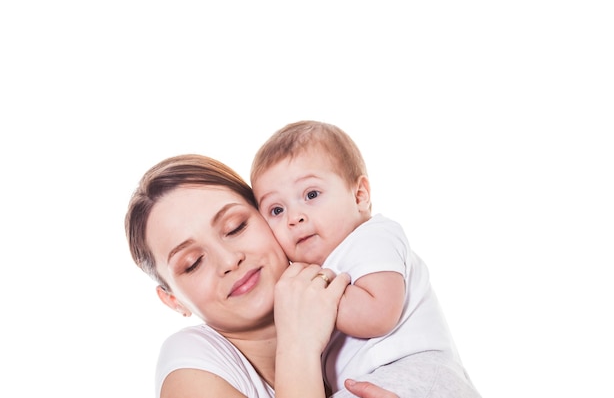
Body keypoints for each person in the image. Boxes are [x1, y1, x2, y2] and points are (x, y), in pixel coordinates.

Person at [125, 154, 399, 398]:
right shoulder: (189, 365)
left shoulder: (362, 288)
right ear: (173, 300)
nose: (230, 261)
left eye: (236, 227)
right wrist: (298, 346)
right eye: (193, 263)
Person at [250, 120, 481, 398]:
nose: (294, 218)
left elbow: (377, 314)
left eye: (311, 194)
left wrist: (310, 300)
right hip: (373, 380)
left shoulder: (374, 236)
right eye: (276, 210)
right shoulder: (320, 267)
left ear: (360, 196)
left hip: (414, 371)